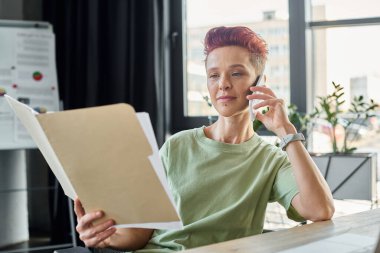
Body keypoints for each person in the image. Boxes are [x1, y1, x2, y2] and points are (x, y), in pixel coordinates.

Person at [74, 26, 335, 252]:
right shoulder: (177, 145)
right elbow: (141, 235)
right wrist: (103, 236)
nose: (222, 84)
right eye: (213, 75)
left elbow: (320, 210)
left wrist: (285, 130)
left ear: (260, 82)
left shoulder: (271, 161)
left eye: (236, 73)